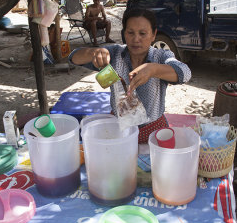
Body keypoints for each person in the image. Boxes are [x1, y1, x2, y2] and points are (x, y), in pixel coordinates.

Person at [69, 8, 191, 143]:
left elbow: (185, 73)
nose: (136, 39)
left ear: (153, 35)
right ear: (124, 34)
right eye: (130, 32)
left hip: (154, 130)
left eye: (143, 33)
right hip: (120, 127)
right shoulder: (114, 54)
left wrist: (153, 69)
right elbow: (73, 57)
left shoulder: (161, 56)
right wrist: (93, 53)